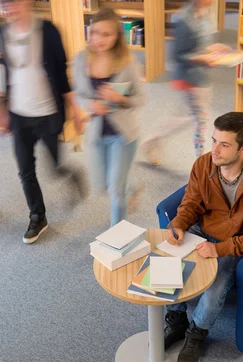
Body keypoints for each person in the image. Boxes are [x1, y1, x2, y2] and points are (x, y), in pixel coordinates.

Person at [164, 112, 243, 362]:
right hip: (202, 229)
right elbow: (191, 203)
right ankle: (176, 319)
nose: (214, 150)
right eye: (214, 140)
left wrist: (220, 249)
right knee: (170, 264)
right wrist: (180, 224)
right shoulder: (203, 164)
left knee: (215, 286)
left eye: (224, 144)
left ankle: (196, 333)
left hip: (233, 241)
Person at [0, 0, 85, 244]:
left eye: (13, 2)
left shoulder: (48, 30)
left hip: (47, 112)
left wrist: (75, 107)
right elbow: (7, 73)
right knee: (25, 170)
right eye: (5, 4)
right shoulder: (2, 32)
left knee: (55, 167)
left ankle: (71, 174)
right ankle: (38, 216)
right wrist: (4, 108)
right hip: (19, 114)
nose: (9, 7)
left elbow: (61, 72)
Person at [72, 8, 146, 226]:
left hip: (123, 135)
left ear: (117, 37)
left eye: (107, 34)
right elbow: (80, 94)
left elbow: (141, 98)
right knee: (102, 185)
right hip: (96, 133)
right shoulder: (81, 60)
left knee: (115, 188)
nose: (99, 39)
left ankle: (117, 236)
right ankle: (133, 185)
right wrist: (90, 104)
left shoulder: (128, 61)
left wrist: (119, 99)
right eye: (95, 32)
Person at [139, 0, 230, 165]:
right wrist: (202, 58)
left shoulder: (205, 13)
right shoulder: (183, 20)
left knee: (186, 116)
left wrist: (215, 49)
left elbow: (200, 44)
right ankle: (203, 162)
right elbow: (178, 55)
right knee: (200, 119)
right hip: (188, 77)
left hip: (201, 75)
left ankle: (151, 141)